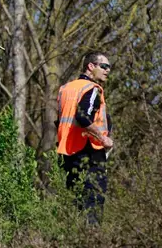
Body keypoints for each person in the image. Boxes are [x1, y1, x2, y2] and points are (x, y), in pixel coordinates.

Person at [56, 51, 113, 225]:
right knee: (93, 199)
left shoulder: (65, 89)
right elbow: (82, 117)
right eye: (104, 66)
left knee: (74, 201)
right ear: (91, 66)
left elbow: (60, 120)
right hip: (89, 152)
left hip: (67, 151)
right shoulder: (93, 89)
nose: (107, 70)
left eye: (109, 67)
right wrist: (104, 140)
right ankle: (92, 239)